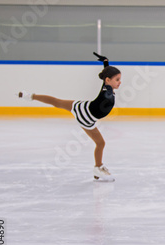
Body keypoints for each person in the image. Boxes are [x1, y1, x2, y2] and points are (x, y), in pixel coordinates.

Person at [18, 52, 121, 182]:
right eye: (117, 79)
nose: (120, 82)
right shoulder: (107, 90)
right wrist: (108, 91)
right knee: (100, 143)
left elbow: (106, 77)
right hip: (87, 119)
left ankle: (30, 96)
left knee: (57, 102)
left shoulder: (106, 87)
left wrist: (106, 61)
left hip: (81, 108)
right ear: (108, 80)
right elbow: (107, 90)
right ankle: (98, 167)